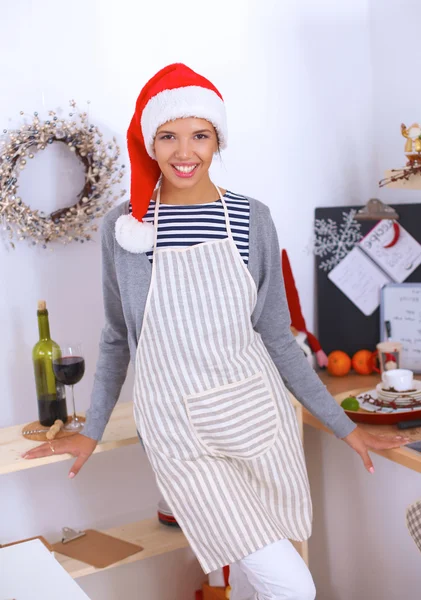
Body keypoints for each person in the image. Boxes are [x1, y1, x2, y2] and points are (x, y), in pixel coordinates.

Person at [23, 63, 410, 599]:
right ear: (150, 143)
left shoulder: (251, 218)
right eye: (169, 136)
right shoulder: (126, 228)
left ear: (217, 139)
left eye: (199, 135)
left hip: (258, 422)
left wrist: (346, 429)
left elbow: (276, 336)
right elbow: (117, 339)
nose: (186, 152)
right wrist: (91, 432)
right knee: (293, 588)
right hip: (180, 435)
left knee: (261, 580)